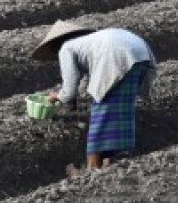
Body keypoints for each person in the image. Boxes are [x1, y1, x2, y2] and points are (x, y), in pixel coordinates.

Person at [31, 20, 157, 177]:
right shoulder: (88, 42)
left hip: (117, 55)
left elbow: (69, 90)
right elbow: (86, 81)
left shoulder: (66, 48)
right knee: (122, 110)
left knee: (101, 112)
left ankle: (91, 169)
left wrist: (56, 97)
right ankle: (112, 160)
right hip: (140, 52)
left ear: (55, 44)